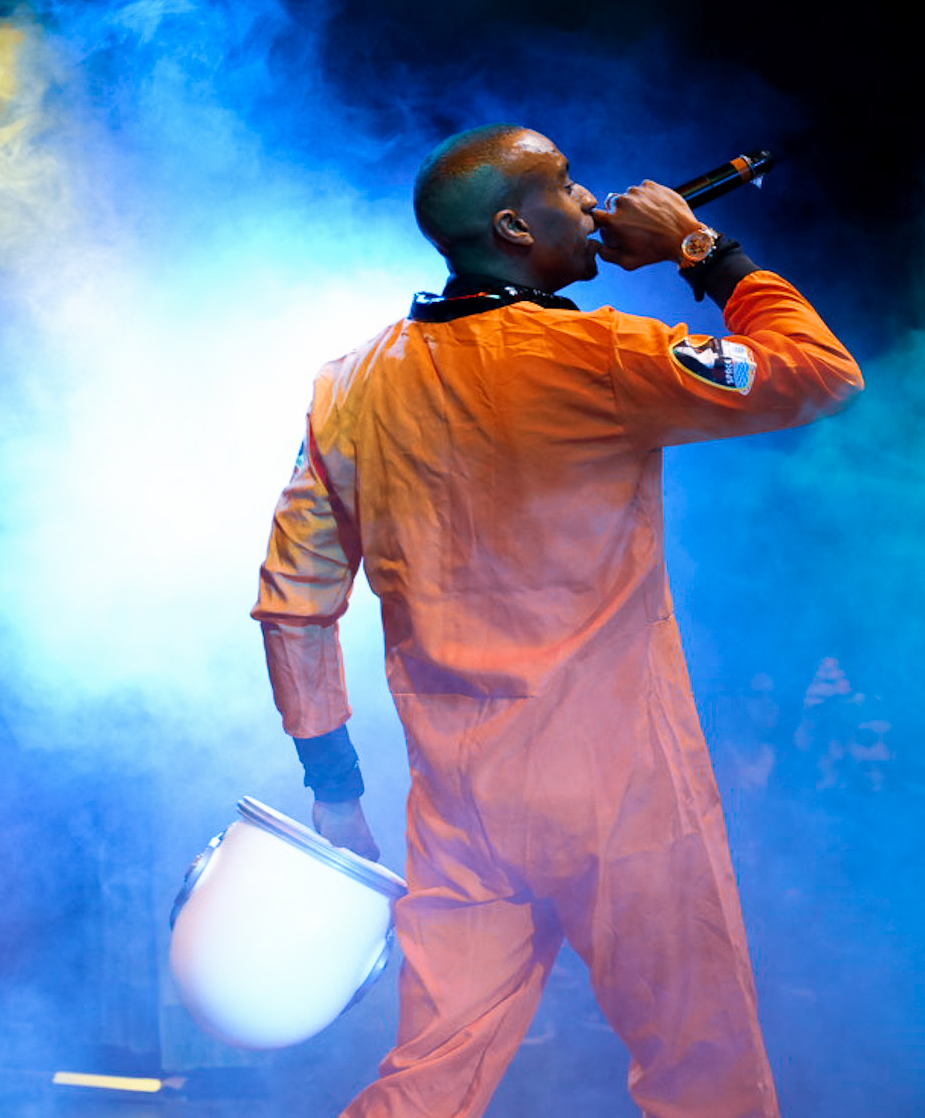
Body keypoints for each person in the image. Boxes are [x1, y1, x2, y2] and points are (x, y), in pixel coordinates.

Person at [252, 125, 863, 1118]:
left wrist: (334, 786)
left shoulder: (347, 388)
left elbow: (293, 602)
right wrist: (700, 248)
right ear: (513, 227)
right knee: (703, 1074)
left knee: (429, 1078)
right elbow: (820, 371)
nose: (589, 200)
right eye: (567, 185)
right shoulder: (603, 353)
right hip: (627, 798)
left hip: (464, 807)